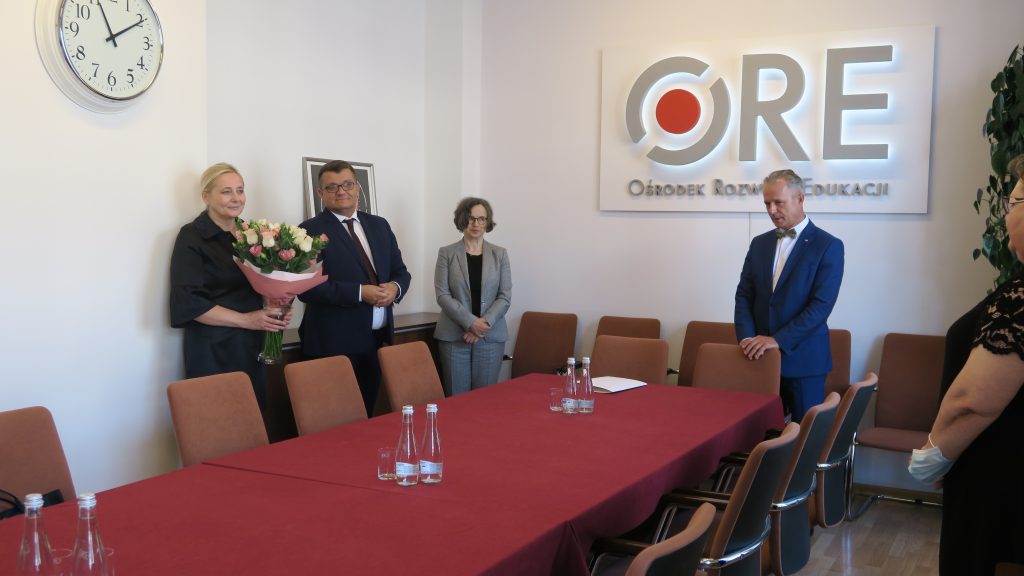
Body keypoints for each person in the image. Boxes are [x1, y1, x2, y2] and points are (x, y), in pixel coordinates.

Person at [910, 155, 1024, 575]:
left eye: (1013, 202)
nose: (1006, 215)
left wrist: (936, 455)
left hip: (999, 487)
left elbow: (971, 402)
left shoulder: (1018, 300)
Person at [170, 162, 290, 409]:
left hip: (253, 343)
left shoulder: (254, 234)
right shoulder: (192, 236)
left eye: (240, 190)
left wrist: (277, 306)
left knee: (253, 415)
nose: (236, 198)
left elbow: (264, 284)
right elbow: (189, 302)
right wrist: (247, 320)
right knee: (219, 418)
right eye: (226, 192)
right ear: (206, 196)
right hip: (214, 348)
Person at [298, 160, 411, 416]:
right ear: (321, 193)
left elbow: (401, 272)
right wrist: (360, 293)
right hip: (333, 343)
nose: (341, 191)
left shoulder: (379, 225)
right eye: (332, 187)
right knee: (334, 420)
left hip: (376, 342)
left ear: (358, 187)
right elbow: (306, 288)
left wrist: (395, 288)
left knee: (367, 417)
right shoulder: (309, 230)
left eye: (347, 184)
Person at [734, 169, 844, 422]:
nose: (772, 210)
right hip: (759, 360)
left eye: (778, 203)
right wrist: (747, 339)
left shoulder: (828, 246)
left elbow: (821, 306)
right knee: (757, 434)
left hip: (804, 361)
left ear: (800, 199)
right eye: (767, 204)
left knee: (804, 438)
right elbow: (744, 295)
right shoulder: (759, 243)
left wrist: (778, 340)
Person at [434, 198, 512, 396]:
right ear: (462, 220)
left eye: (481, 219)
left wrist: (481, 326)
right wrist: (470, 323)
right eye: (471, 218)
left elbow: (504, 296)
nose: (476, 224)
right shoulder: (446, 253)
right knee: (456, 400)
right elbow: (442, 294)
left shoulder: (500, 254)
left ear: (487, 222)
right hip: (454, 337)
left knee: (484, 401)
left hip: (489, 337)